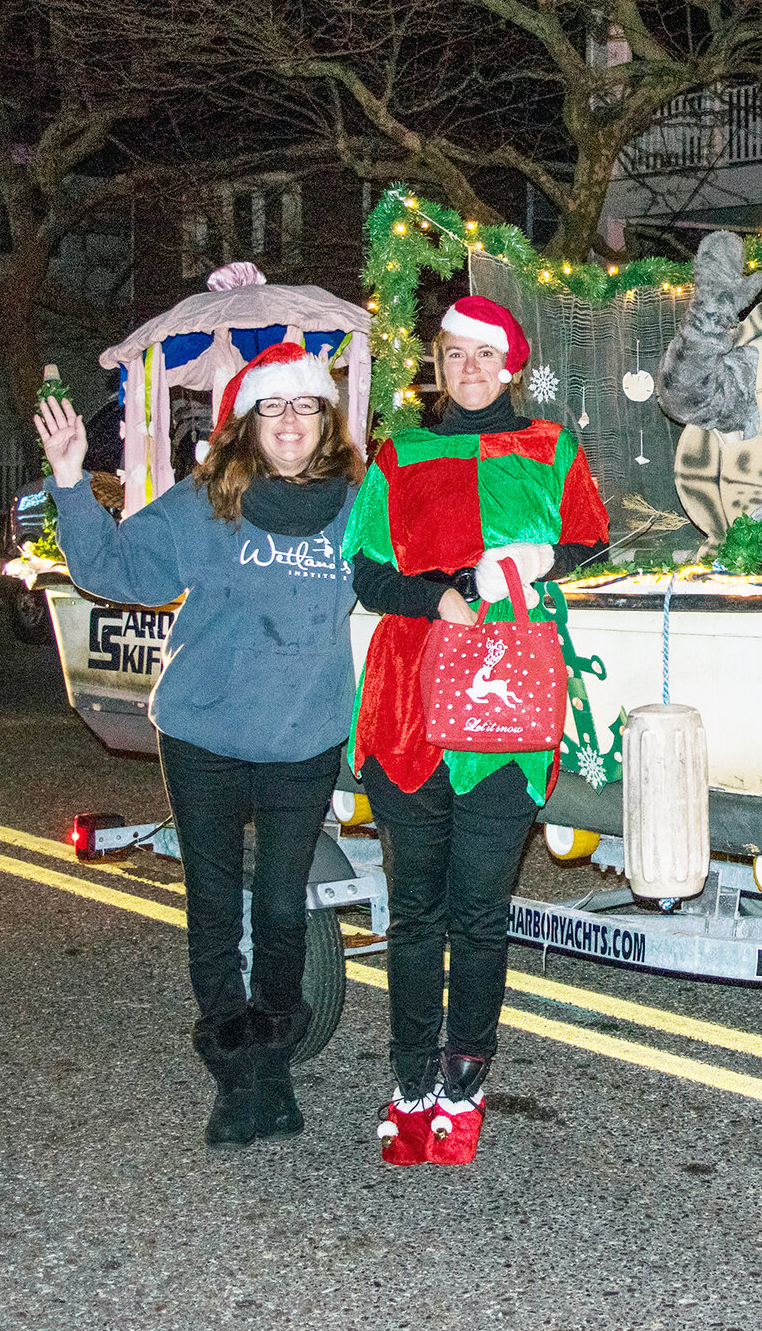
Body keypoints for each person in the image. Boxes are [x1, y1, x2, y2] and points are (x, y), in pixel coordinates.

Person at [34, 342, 363, 1148]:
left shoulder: (360, 504)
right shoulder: (208, 499)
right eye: (274, 406)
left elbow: (413, 565)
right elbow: (115, 568)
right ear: (250, 421)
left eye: (306, 406)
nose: (290, 421)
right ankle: (241, 1077)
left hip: (303, 736)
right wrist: (73, 482)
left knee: (285, 906)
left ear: (328, 421)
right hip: (204, 733)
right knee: (215, 906)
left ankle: (271, 1065)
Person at [346, 295, 607, 1167]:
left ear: (511, 364)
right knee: (415, 907)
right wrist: (437, 595)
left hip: (505, 701)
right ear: (438, 362)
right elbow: (367, 569)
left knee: (480, 910)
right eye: (452, 352)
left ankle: (466, 1083)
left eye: (482, 354)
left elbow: (593, 541)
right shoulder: (400, 453)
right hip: (408, 700)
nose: (468, 367)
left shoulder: (548, 449)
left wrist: (538, 562)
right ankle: (411, 1082)